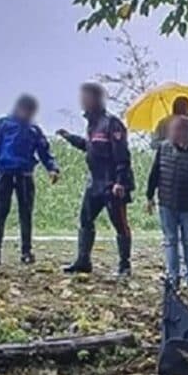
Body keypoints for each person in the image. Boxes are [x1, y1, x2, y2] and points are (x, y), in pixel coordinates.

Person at [57, 83, 135, 277]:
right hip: (95, 182)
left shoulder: (112, 124)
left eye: (85, 97)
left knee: (119, 223)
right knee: (85, 219)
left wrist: (120, 182)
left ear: (96, 99)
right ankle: (83, 260)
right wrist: (70, 138)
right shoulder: (92, 123)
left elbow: (122, 155)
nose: (82, 101)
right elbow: (90, 147)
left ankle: (124, 265)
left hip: (112, 183)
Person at [0, 95, 60, 265]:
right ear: (19, 108)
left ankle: (26, 251)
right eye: (27, 110)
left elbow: (44, 151)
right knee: (1, 211)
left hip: (25, 175)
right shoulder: (3, 125)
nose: (28, 114)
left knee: (25, 213)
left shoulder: (34, 129)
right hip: (5, 173)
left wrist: (52, 168)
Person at [145, 116, 188, 291]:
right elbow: (154, 174)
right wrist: (149, 197)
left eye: (176, 129)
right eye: (171, 129)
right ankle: (173, 277)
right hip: (166, 203)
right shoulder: (163, 149)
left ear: (187, 133)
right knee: (170, 240)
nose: (172, 133)